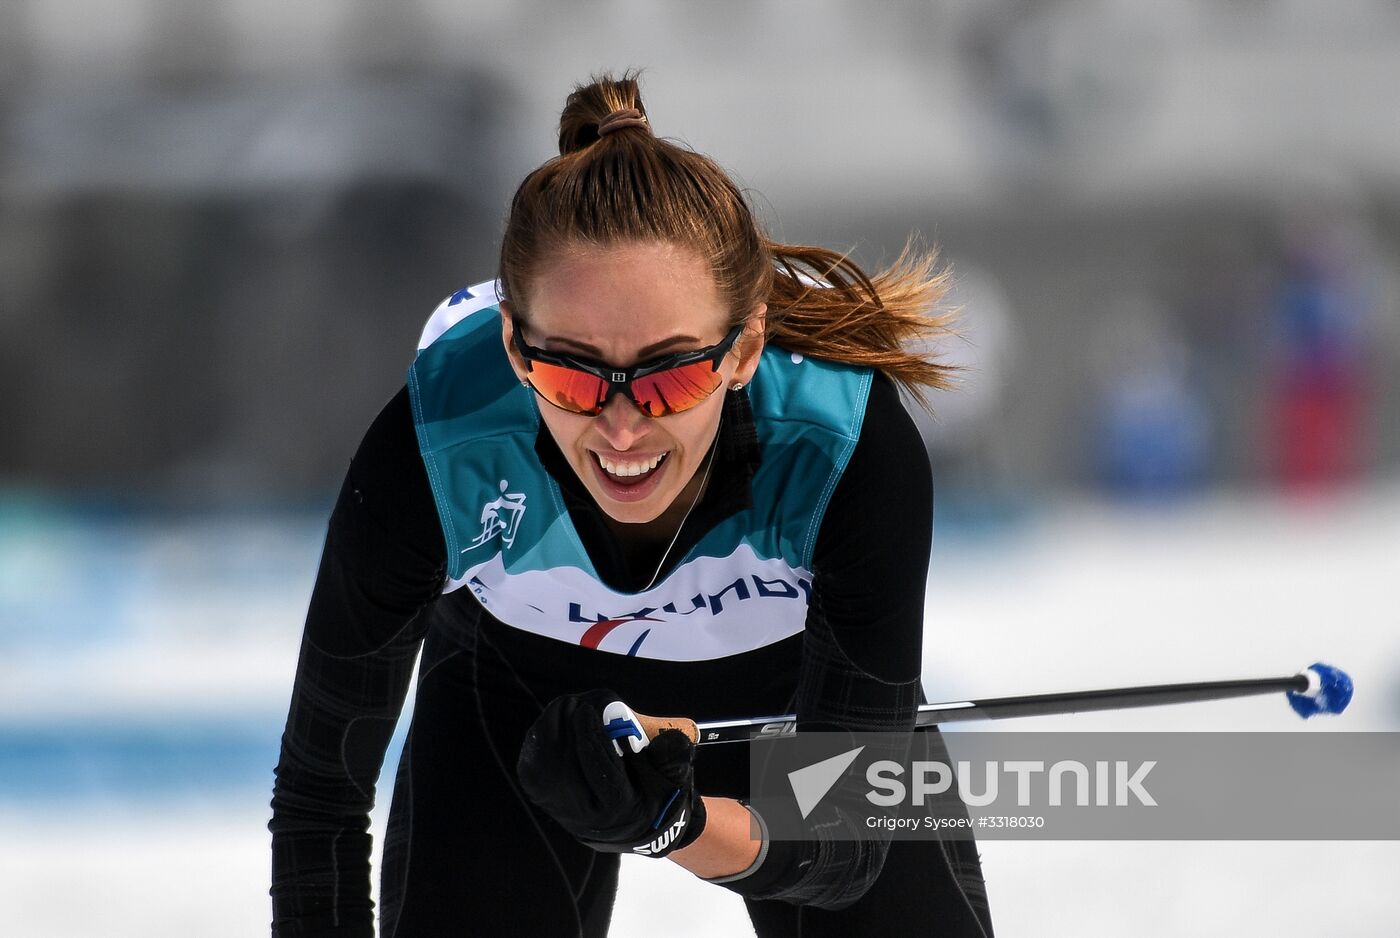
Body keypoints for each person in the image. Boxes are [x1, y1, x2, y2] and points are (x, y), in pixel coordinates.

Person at [269, 73, 994, 937]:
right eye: (572, 373)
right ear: (513, 346)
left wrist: (674, 823)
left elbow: (843, 848)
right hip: (515, 701)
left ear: (744, 350)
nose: (621, 429)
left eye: (674, 374)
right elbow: (322, 798)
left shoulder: (840, 443)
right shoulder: (441, 440)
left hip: (787, 702)